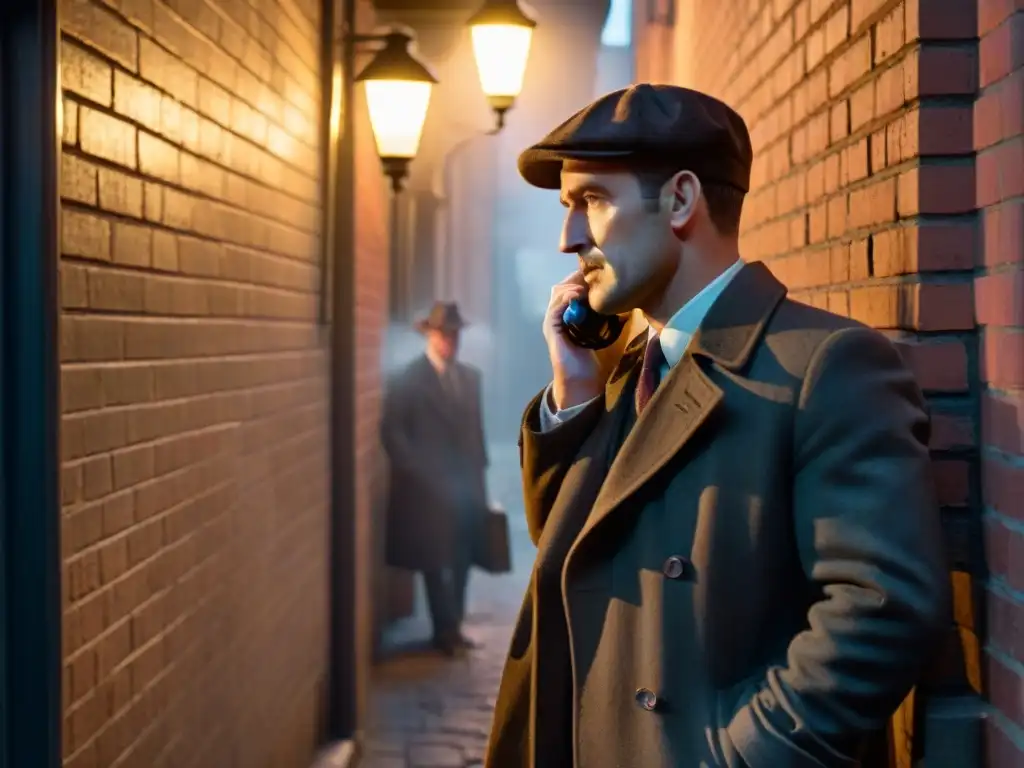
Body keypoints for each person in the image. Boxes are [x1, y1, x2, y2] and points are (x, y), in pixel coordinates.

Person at [485, 84, 950, 767]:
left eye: (592, 201)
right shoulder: (631, 365)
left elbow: (882, 611)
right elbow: (576, 557)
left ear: (680, 201)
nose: (569, 239)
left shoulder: (826, 365)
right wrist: (576, 392)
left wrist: (730, 757)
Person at [381, 301, 489, 656]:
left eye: (455, 335)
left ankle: (453, 627)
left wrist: (479, 482)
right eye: (444, 335)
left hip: (464, 487)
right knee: (435, 560)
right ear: (430, 335)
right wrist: (417, 470)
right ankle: (443, 631)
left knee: (460, 560)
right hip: (428, 491)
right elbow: (393, 430)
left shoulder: (469, 378)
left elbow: (476, 433)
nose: (450, 342)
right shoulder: (409, 380)